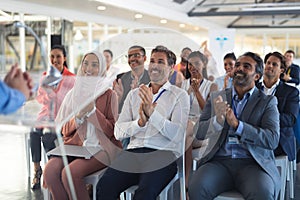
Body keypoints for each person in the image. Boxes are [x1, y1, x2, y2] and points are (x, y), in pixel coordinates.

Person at [96, 46, 189, 200]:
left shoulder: (180, 96)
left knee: (144, 194)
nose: (155, 65)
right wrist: (139, 122)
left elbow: (177, 135)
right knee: (104, 187)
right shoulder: (134, 94)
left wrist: (152, 114)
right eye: (152, 61)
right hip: (133, 153)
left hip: (163, 155)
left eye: (161, 61)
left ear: (171, 68)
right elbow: (118, 132)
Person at [189, 52, 281, 199]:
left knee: (263, 192)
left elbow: (272, 139)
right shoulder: (217, 97)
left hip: (252, 164)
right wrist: (218, 120)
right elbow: (199, 132)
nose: (239, 68)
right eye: (237, 65)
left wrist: (238, 126)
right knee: (196, 188)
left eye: (246, 66)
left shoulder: (267, 102)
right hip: (218, 163)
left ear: (257, 76)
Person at [43, 50, 122, 200]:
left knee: (70, 173)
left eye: (95, 65)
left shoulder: (109, 95)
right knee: (50, 171)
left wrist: (92, 112)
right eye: (86, 64)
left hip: (102, 148)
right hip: (75, 147)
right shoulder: (73, 94)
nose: (89, 69)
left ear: (102, 70)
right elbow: (64, 130)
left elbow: (112, 131)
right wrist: (78, 117)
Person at [30, 45, 75, 190]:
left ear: (64, 58)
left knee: (48, 137)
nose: (55, 60)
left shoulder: (71, 79)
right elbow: (40, 97)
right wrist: (50, 94)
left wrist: (53, 94)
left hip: (63, 118)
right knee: (34, 133)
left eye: (58, 57)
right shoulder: (45, 76)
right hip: (46, 116)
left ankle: (53, 172)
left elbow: (69, 101)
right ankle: (37, 170)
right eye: (52, 57)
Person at [181, 51, 218, 195]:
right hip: (184, 126)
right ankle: (185, 183)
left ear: (204, 64)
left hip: (202, 129)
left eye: (197, 63)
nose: (193, 67)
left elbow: (208, 113)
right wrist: (187, 92)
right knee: (186, 136)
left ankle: (185, 181)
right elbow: (177, 108)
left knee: (187, 134)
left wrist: (196, 92)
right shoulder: (182, 84)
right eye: (190, 63)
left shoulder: (212, 86)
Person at [257, 51, 299, 161]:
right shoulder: (253, 88)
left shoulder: (291, 92)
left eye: (274, 64)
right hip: (255, 137)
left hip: (280, 141)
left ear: (282, 70)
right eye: (268, 63)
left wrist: (265, 118)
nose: (270, 66)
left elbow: (290, 119)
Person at [113, 45, 150, 148]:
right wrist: (118, 98)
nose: (132, 59)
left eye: (136, 55)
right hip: (124, 121)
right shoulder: (121, 78)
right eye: (129, 56)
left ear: (145, 58)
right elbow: (114, 108)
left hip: (144, 122)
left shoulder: (152, 78)